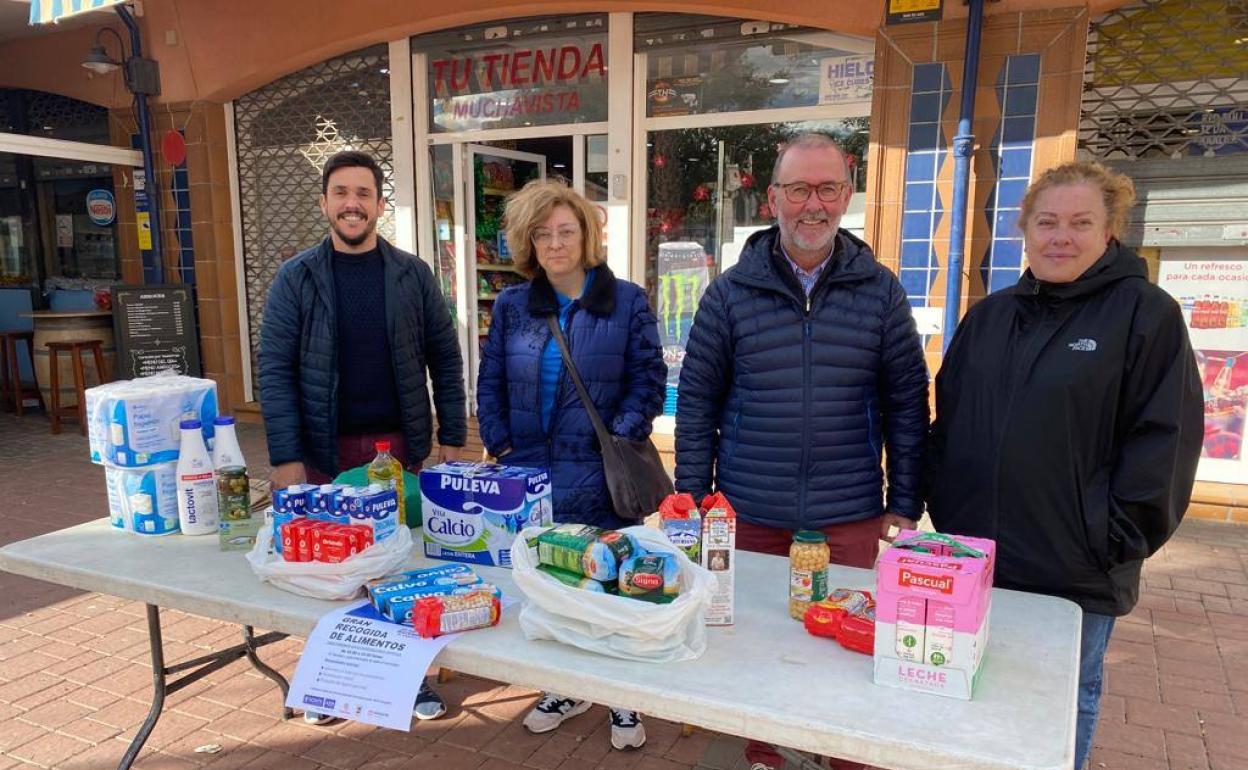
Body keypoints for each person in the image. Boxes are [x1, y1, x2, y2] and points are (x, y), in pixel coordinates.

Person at [925, 161, 1202, 770]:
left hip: (1076, 569)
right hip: (978, 558)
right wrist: (944, 512)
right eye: (1047, 222)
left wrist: (1111, 539)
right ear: (1025, 231)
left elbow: (1166, 443)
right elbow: (949, 423)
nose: (1061, 237)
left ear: (1109, 233)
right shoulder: (991, 316)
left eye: (1081, 223)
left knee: (1057, 706)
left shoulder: (1145, 315)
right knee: (971, 691)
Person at [674, 132, 929, 770]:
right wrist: (693, 495)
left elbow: (906, 401)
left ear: (846, 196)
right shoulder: (729, 293)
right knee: (758, 643)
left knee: (845, 642)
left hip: (847, 510)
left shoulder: (881, 291)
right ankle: (767, 750)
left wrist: (904, 501)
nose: (811, 205)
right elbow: (698, 401)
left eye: (826, 189)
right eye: (797, 189)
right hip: (750, 508)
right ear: (772, 198)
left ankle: (841, 751)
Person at [258, 150, 466, 725]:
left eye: (364, 194)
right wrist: (286, 458)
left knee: (403, 566)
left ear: (379, 204)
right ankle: (333, 680)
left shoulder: (412, 275)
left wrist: (452, 436)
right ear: (325, 202)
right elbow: (274, 369)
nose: (353, 204)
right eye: (341, 192)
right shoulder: (295, 278)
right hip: (323, 453)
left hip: (397, 449)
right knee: (331, 572)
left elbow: (444, 358)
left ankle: (415, 678)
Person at [476, 179, 666, 750]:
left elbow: (648, 380)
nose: (555, 244)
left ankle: (623, 697)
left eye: (565, 231)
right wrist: (500, 442)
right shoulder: (513, 305)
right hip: (532, 474)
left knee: (610, 584)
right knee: (552, 587)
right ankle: (565, 686)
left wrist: (620, 432)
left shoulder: (626, 299)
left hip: (601, 473)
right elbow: (490, 381)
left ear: (586, 234)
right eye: (542, 234)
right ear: (527, 243)